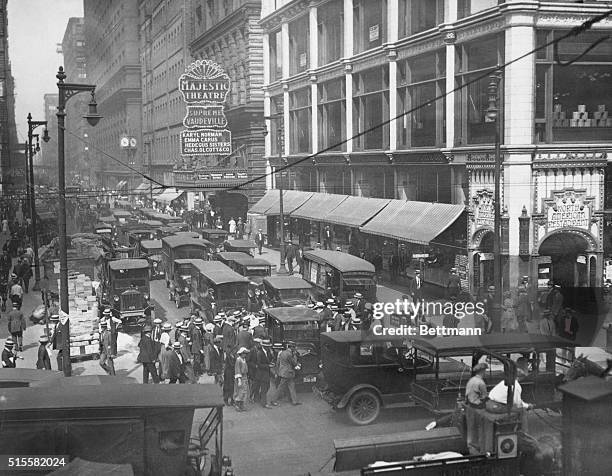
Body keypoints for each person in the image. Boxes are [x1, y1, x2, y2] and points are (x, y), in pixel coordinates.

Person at [464, 363, 489, 454]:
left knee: (471, 430)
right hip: (478, 409)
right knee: (481, 430)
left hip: (469, 408)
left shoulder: (471, 380)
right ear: (482, 371)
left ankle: (471, 448)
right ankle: (480, 451)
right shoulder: (481, 383)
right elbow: (484, 397)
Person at [271, 342, 301, 406]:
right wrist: (295, 355)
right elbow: (294, 363)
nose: (295, 348)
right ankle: (273, 400)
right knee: (281, 387)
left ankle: (294, 401)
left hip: (284, 372)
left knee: (291, 386)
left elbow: (278, 362)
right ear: (291, 347)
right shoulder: (290, 354)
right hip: (288, 373)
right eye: (294, 347)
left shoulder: (283, 353)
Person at [252, 338, 274, 409]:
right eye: (267, 346)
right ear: (264, 346)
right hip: (261, 373)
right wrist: (268, 365)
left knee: (267, 387)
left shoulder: (268, 352)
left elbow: (269, 360)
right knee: (264, 388)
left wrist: (271, 363)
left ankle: (260, 398)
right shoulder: (259, 353)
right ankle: (264, 403)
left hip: (266, 373)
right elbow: (259, 364)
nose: (268, 347)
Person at [234, 347, 250, 412]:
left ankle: (242, 406)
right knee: (239, 392)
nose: (245, 355)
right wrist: (239, 380)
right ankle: (237, 405)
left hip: (245, 377)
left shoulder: (244, 360)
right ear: (241, 353)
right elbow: (237, 370)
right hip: (240, 378)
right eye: (244, 353)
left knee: (244, 392)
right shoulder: (238, 360)